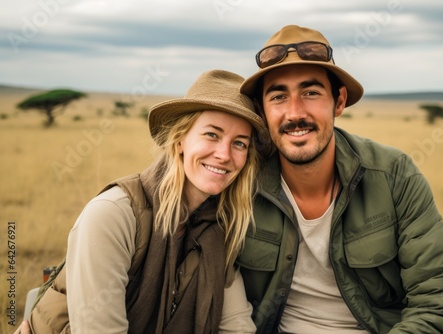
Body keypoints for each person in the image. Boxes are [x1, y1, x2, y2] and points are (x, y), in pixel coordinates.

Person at [236, 25, 443, 333]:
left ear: (338, 102)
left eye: (311, 93)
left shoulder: (394, 174)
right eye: (278, 96)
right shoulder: (239, 181)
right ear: (261, 110)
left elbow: (442, 294)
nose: (295, 113)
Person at [16, 69, 267, 334]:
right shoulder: (113, 215)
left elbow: (237, 327)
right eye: (212, 135)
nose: (224, 154)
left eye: (240, 144)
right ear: (181, 139)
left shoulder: (220, 231)